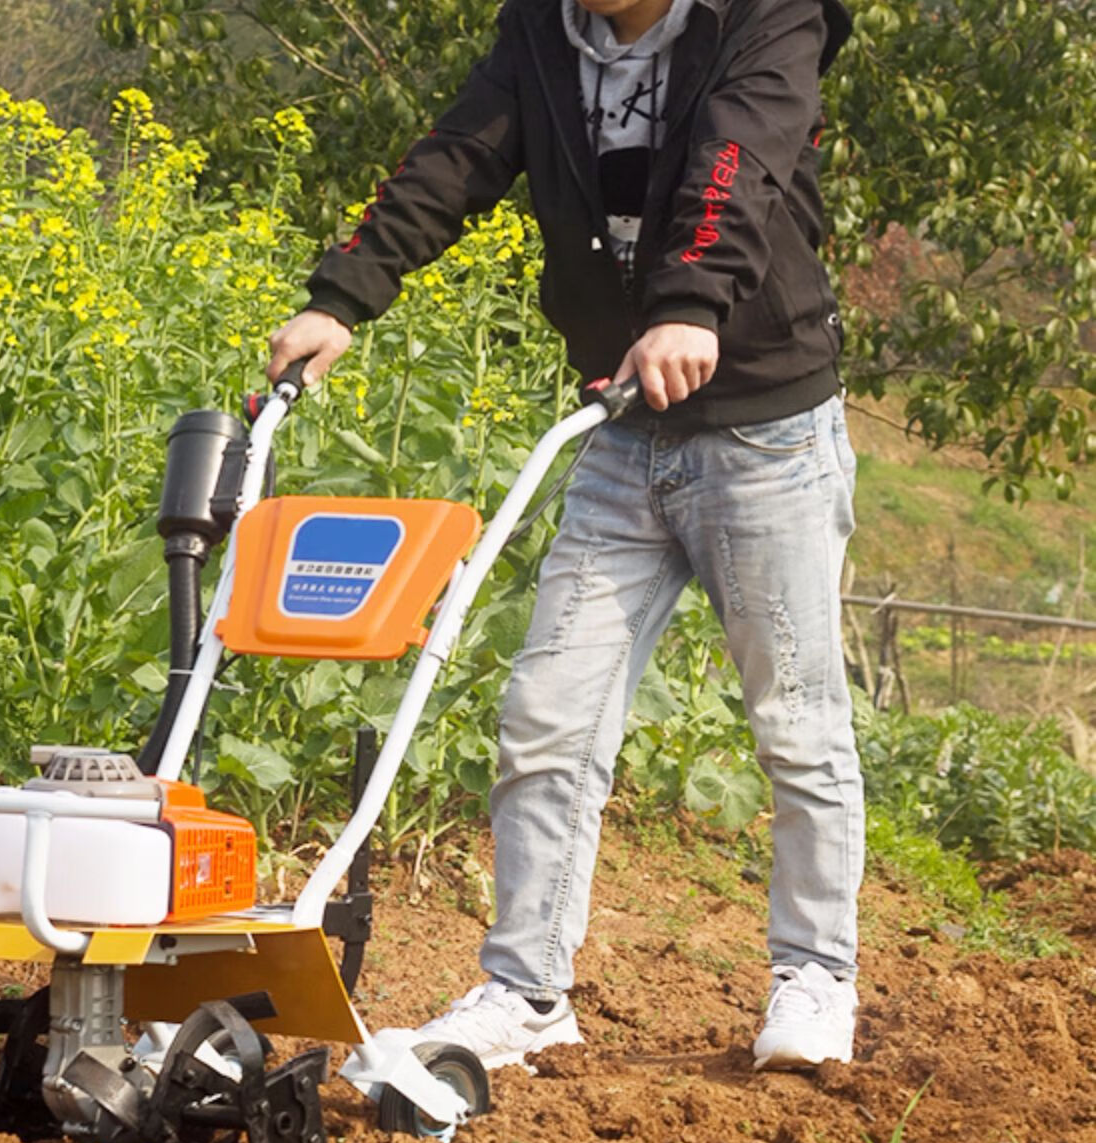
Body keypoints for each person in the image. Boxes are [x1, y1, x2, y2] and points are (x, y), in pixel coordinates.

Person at [267, 0, 862, 1070]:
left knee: (797, 721)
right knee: (549, 717)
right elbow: (457, 157)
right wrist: (342, 298)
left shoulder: (765, 17)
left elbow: (738, 157)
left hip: (765, 430)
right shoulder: (542, 30)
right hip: (623, 427)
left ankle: (815, 975)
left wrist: (689, 304)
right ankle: (528, 990)